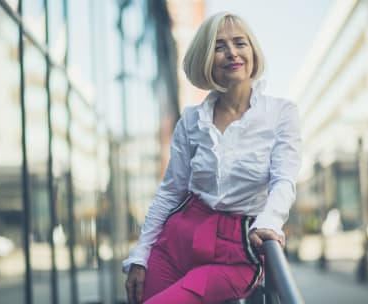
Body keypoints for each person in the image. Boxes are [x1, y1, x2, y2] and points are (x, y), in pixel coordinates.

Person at [123, 11, 302, 304]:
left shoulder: (281, 113)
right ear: (207, 58)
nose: (232, 53)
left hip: (238, 248)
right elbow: (170, 192)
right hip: (179, 238)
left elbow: (285, 180)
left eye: (239, 43)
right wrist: (140, 255)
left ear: (253, 50)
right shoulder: (192, 120)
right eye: (219, 46)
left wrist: (269, 221)